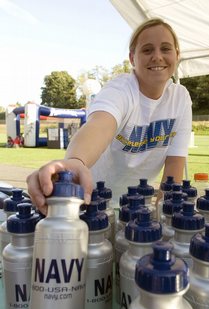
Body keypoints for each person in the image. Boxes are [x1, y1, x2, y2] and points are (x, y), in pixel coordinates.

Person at [26, 18, 192, 215]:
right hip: (91, 201)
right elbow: (101, 126)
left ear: (177, 54)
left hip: (137, 207)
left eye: (165, 49)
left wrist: (165, 217)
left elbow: (174, 165)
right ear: (132, 58)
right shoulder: (120, 89)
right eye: (147, 50)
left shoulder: (181, 98)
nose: (157, 56)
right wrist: (76, 161)